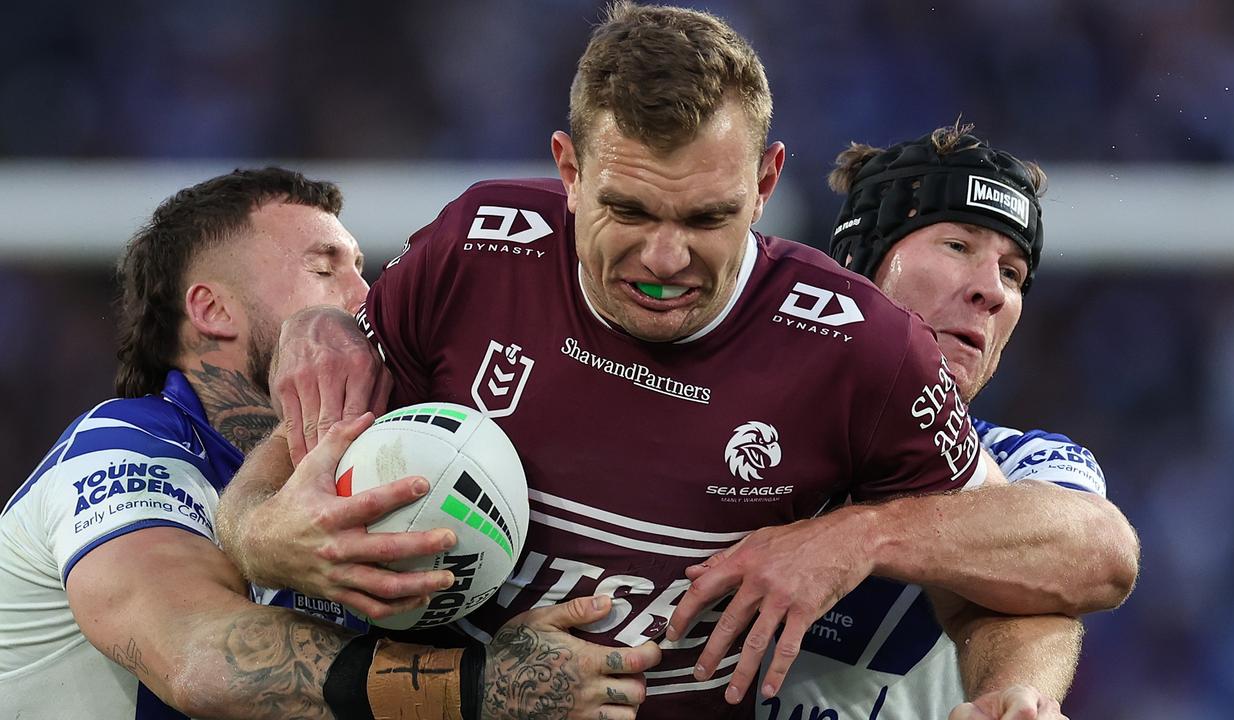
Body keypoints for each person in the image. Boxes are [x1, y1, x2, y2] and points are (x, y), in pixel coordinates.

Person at [219, 4, 1133, 719]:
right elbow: (277, 481)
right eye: (629, 213)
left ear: (767, 184)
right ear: (568, 169)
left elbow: (1049, 572)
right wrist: (269, 537)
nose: (664, 262)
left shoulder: (859, 346)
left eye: (705, 219)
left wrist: (1003, 684)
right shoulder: (477, 247)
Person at [0, 167, 657, 720]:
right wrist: (480, 685)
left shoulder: (380, 472)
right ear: (212, 311)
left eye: (364, 270)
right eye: (325, 269)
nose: (364, 298)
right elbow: (199, 658)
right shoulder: (123, 448)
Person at [749, 126, 1136, 720]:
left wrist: (1012, 695)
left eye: (1012, 273)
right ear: (858, 264)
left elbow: (1099, 554)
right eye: (958, 246)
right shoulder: (741, 424)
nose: (992, 292)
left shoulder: (1022, 465)